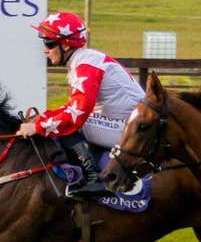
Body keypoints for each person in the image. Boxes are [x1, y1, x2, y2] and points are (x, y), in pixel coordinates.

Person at [17, 11, 144, 199]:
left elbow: (76, 115)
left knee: (71, 124)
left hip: (134, 131)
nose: (45, 49)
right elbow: (73, 107)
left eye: (49, 43)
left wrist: (38, 127)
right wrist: (43, 118)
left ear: (66, 44)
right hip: (127, 124)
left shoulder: (86, 65)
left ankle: (96, 180)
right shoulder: (83, 60)